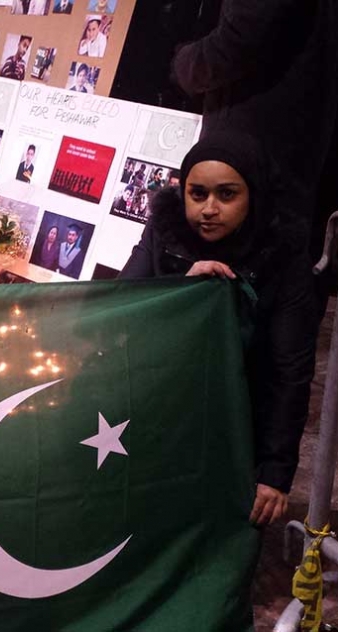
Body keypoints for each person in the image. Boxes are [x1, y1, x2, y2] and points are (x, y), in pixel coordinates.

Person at [119, 131, 320, 526]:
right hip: (157, 409)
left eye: (227, 195)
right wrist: (186, 291)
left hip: (237, 416)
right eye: (198, 194)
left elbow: (289, 370)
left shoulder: (283, 254)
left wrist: (275, 474)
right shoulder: (165, 231)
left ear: (253, 195)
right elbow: (123, 306)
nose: (209, 209)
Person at [172, 1, 338, 265]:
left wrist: (184, 63)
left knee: (231, 281)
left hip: (253, 149)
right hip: (285, 143)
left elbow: (238, 40)